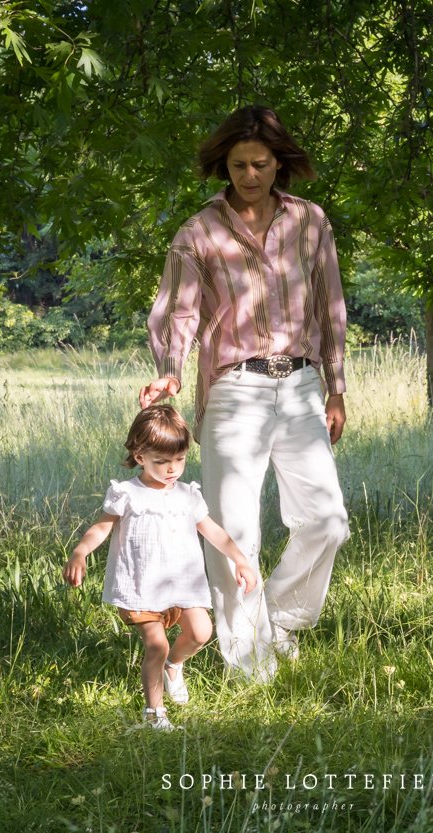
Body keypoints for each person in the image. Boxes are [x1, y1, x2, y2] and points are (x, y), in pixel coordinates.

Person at [139, 104, 350, 682]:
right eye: (238, 165)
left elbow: (331, 310)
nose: (249, 175)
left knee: (328, 521)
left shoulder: (310, 222)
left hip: (302, 385)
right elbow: (177, 313)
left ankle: (278, 616)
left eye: (260, 164)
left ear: (279, 163)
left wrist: (336, 388)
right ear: (223, 166)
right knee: (235, 531)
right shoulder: (198, 232)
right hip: (234, 390)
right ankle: (249, 665)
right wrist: (170, 372)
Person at [62, 404, 258, 730]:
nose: (172, 469)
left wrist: (239, 559)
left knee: (200, 632)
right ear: (140, 457)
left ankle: (173, 665)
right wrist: (80, 552)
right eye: (162, 462)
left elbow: (212, 531)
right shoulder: (127, 494)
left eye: (179, 460)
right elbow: (101, 528)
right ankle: (155, 714)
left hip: (183, 583)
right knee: (156, 643)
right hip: (140, 586)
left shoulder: (187, 495)